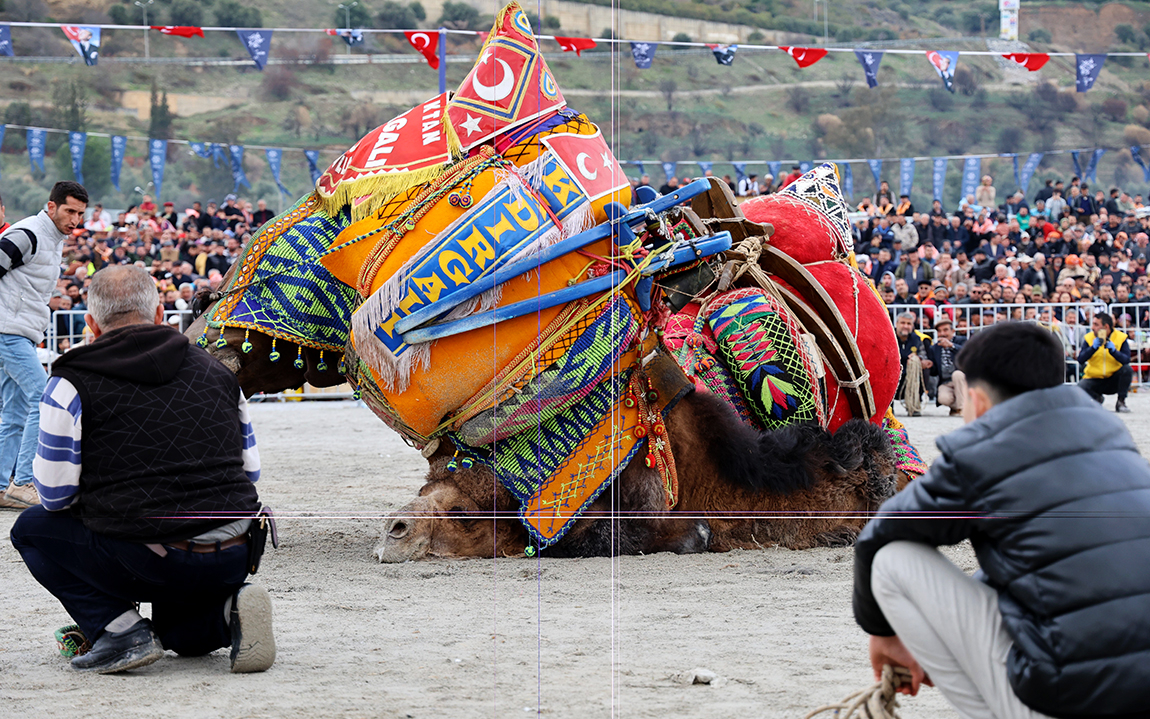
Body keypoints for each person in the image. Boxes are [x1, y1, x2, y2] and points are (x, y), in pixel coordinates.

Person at [852, 322, 1150, 719]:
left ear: (977, 401)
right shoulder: (1109, 432)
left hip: (1067, 699)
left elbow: (878, 537)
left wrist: (884, 635)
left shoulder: (980, 454)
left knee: (893, 559)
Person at [9, 265, 276, 675]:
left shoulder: (70, 381)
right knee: (181, 640)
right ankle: (228, 611)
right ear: (158, 315)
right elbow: (250, 472)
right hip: (235, 551)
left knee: (31, 529)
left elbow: (54, 495)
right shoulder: (219, 372)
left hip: (147, 557)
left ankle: (120, 630)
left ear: (91, 325)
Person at [1, 182, 88, 510]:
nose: (75, 219)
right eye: (69, 211)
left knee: (14, 410)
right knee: (42, 400)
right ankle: (23, 482)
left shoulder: (52, 238)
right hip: (6, 331)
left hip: (16, 330)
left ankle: (1, 486)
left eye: (80, 213)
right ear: (51, 207)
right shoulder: (29, 233)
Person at [1077, 311, 1133, 413]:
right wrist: (1092, 348)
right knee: (1081, 386)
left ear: (1106, 327)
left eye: (1096, 324)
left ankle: (1121, 402)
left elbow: (1126, 360)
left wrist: (1114, 351)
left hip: (1113, 379)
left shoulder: (1121, 337)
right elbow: (1080, 359)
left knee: (1127, 370)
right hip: (1095, 378)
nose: (1093, 327)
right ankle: (1097, 398)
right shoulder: (1089, 337)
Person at [894, 312, 931, 417]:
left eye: (909, 324)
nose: (906, 326)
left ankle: (915, 404)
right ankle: (888, 407)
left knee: (923, 369)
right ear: (896, 324)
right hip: (894, 374)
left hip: (909, 376)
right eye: (903, 323)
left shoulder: (917, 339)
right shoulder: (889, 336)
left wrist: (918, 359)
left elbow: (923, 356)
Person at [926, 317, 966, 415]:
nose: (942, 333)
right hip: (946, 382)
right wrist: (929, 365)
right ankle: (956, 407)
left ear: (952, 331)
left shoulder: (961, 340)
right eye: (939, 331)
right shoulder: (934, 348)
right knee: (943, 399)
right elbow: (934, 372)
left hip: (962, 379)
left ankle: (963, 409)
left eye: (945, 330)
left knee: (957, 374)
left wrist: (951, 346)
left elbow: (967, 353)